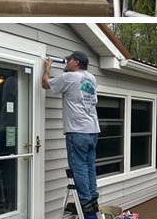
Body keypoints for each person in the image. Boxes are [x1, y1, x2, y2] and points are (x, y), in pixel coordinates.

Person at [42, 51, 100, 218]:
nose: (67, 62)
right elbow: (74, 87)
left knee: (79, 167)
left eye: (69, 60)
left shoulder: (69, 78)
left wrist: (47, 68)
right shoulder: (91, 78)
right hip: (92, 130)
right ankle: (92, 199)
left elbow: (45, 84)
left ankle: (86, 206)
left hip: (77, 130)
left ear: (76, 62)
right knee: (89, 166)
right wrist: (65, 71)